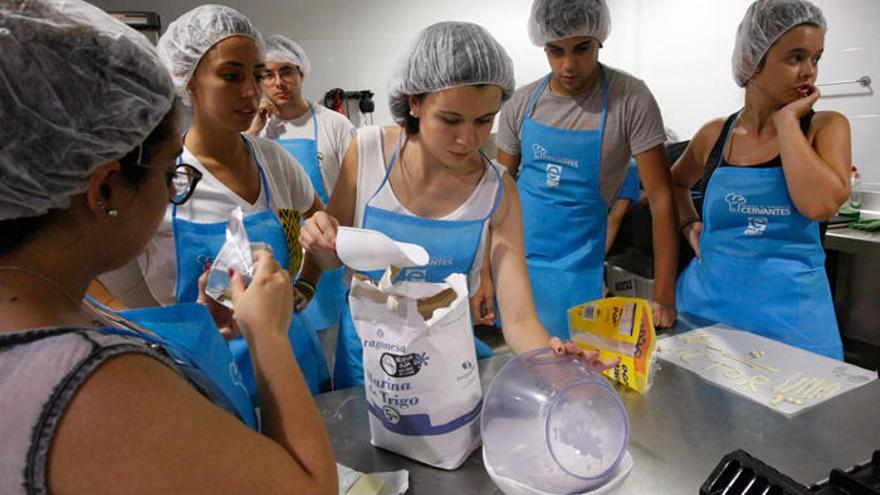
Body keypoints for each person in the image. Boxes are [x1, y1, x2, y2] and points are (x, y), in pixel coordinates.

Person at [0, 1, 337, 493]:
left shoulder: (56, 312)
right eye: (169, 174)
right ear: (105, 191)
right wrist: (266, 336)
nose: (173, 189)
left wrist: (209, 316)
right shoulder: (96, 384)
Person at [299, 21, 613, 389]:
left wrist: (557, 367)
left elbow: (520, 321)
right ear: (414, 102)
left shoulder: (498, 191)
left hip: (449, 365)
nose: (468, 139)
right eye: (450, 120)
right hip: (368, 361)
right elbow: (333, 258)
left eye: (484, 120)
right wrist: (316, 238)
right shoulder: (366, 153)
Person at [103, 5, 331, 395]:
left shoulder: (274, 160)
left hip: (295, 364)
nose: (250, 91)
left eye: (255, 75)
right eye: (230, 76)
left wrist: (308, 281)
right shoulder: (161, 177)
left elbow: (319, 225)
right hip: (206, 378)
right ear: (187, 80)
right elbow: (110, 285)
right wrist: (163, 336)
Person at [672, 0, 850, 359]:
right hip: (706, 319)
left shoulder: (824, 127)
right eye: (795, 57)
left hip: (796, 330)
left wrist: (786, 123)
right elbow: (673, 183)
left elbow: (819, 204)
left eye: (816, 58)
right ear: (751, 60)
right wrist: (689, 222)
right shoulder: (715, 136)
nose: (809, 72)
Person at [495, 0, 679, 338]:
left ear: (599, 39)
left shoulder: (630, 100)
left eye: (581, 48)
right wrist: (485, 274)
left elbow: (662, 198)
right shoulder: (521, 104)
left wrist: (664, 295)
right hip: (516, 268)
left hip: (577, 276)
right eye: (555, 51)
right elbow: (496, 195)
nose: (568, 64)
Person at [247, 34, 356, 334]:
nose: (278, 82)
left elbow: (357, 193)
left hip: (328, 254)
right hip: (274, 260)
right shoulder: (255, 133)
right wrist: (254, 130)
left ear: (301, 74)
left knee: (330, 359)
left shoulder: (334, 125)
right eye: (266, 75)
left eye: (286, 72)